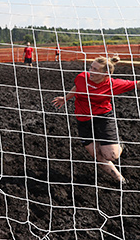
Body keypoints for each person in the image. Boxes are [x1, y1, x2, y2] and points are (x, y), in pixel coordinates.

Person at [52, 56, 139, 184]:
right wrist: (65, 98)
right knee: (97, 155)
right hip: (83, 120)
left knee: (111, 155)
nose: (91, 71)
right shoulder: (82, 77)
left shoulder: (112, 84)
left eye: (95, 69)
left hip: (103, 118)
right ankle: (120, 179)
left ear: (105, 74)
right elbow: (77, 88)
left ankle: (120, 145)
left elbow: (136, 84)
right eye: (91, 67)